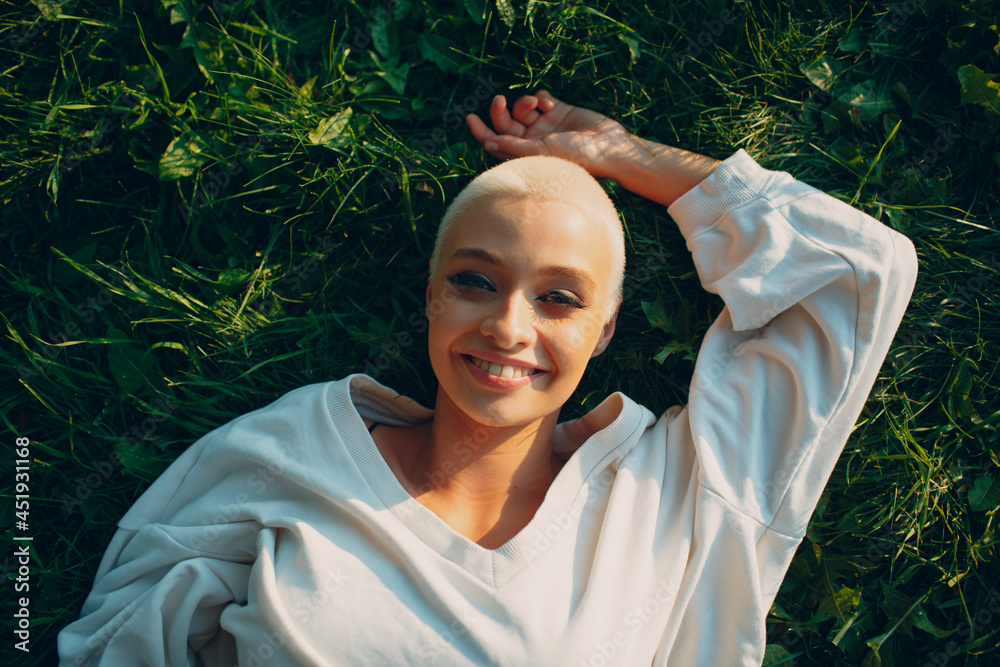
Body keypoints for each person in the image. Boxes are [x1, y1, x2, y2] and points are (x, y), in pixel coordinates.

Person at [58, 90, 918, 666]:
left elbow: (853, 275)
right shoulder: (291, 451)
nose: (509, 326)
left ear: (604, 329)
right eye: (475, 281)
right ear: (432, 297)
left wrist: (625, 155)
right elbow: (119, 637)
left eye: (559, 298)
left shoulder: (672, 498)